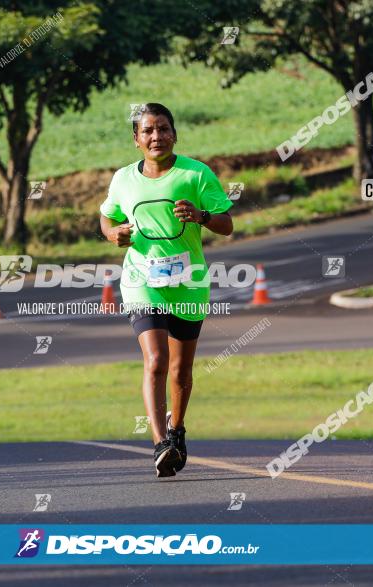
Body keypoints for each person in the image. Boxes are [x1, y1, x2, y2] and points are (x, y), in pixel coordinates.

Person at [99, 103, 234, 477]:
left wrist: (202, 216)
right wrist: (113, 233)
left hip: (188, 284)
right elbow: (107, 216)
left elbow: (227, 224)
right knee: (156, 361)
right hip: (142, 282)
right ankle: (160, 443)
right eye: (148, 130)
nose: (156, 136)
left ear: (174, 133)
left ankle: (177, 430)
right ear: (136, 139)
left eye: (163, 128)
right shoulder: (123, 179)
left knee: (181, 371)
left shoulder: (196, 174)